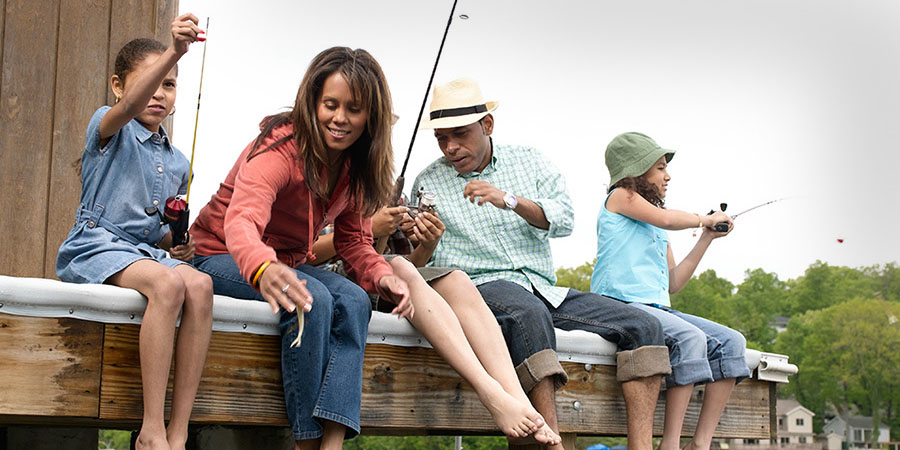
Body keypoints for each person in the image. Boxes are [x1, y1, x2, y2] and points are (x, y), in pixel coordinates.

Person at [410, 78, 672, 450]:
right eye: (441, 137)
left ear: (487, 126)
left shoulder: (529, 161)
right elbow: (418, 264)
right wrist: (423, 240)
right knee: (526, 312)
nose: (450, 147)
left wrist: (510, 200)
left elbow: (564, 220)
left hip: (545, 288)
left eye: (460, 134)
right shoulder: (427, 182)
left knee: (644, 325)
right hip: (481, 289)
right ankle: (549, 442)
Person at [189, 47, 411, 450]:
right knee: (313, 299)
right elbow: (241, 221)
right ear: (313, 101)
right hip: (221, 255)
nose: (340, 118)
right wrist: (261, 266)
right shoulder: (280, 147)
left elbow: (354, 241)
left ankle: (334, 440)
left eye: (354, 109)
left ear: (371, 117)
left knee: (357, 301)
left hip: (286, 263)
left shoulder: (356, 168)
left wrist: (383, 276)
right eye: (330, 104)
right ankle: (305, 441)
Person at [56, 15, 211, 450]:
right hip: (95, 244)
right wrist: (175, 53)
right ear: (119, 85)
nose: (160, 92)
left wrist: (176, 243)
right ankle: (151, 430)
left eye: (170, 84)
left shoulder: (179, 161)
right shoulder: (109, 125)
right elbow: (126, 110)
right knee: (165, 284)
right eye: (152, 80)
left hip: (142, 252)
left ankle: (178, 432)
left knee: (199, 285)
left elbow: (158, 230)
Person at [312, 206, 561, 445]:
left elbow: (411, 264)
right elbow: (303, 251)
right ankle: (490, 393)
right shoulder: (327, 181)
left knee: (458, 280)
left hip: (381, 273)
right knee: (398, 266)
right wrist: (370, 229)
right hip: (329, 274)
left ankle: (518, 399)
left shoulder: (380, 188)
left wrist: (427, 244)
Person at [594, 132, 750, 450]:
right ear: (636, 170)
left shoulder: (655, 226)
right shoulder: (620, 195)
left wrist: (705, 236)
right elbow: (668, 218)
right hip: (618, 305)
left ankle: (701, 443)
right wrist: (704, 218)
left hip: (656, 309)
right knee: (690, 338)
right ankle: (671, 444)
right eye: (661, 167)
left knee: (733, 342)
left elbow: (673, 283)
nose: (668, 175)